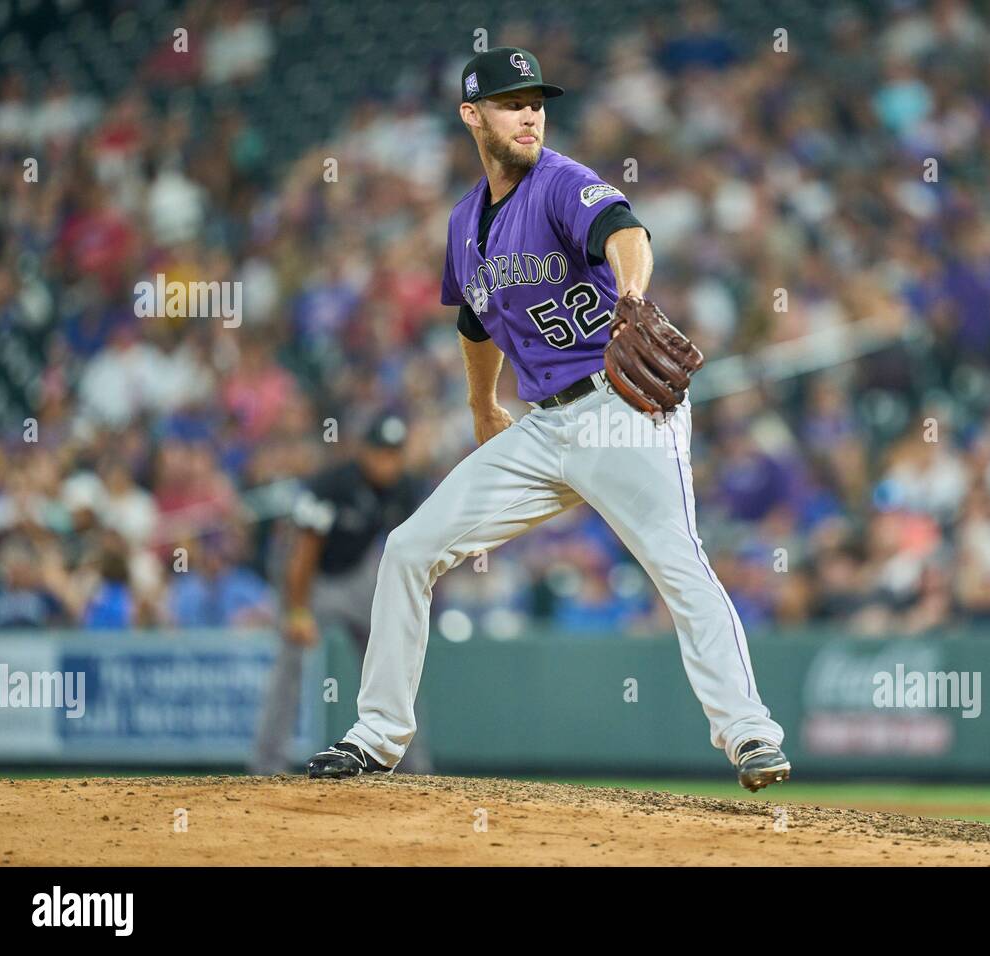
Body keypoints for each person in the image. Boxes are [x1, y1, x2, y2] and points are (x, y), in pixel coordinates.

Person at [306, 47, 789, 792]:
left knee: (676, 560)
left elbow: (628, 231)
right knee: (408, 549)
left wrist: (630, 296)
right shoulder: (465, 221)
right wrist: (481, 406)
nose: (529, 112)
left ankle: (750, 732)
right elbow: (474, 324)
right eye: (509, 101)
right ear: (472, 115)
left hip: (619, 410)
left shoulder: (562, 182)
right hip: (542, 427)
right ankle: (377, 737)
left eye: (536, 99)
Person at [249, 413, 425, 775]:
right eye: (380, 452)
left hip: (357, 575)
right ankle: (266, 765)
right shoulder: (333, 484)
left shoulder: (403, 487)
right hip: (310, 578)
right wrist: (297, 611)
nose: (387, 461)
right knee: (289, 668)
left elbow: (409, 547)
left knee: (397, 658)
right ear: (365, 451)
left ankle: (414, 767)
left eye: (394, 453)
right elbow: (303, 552)